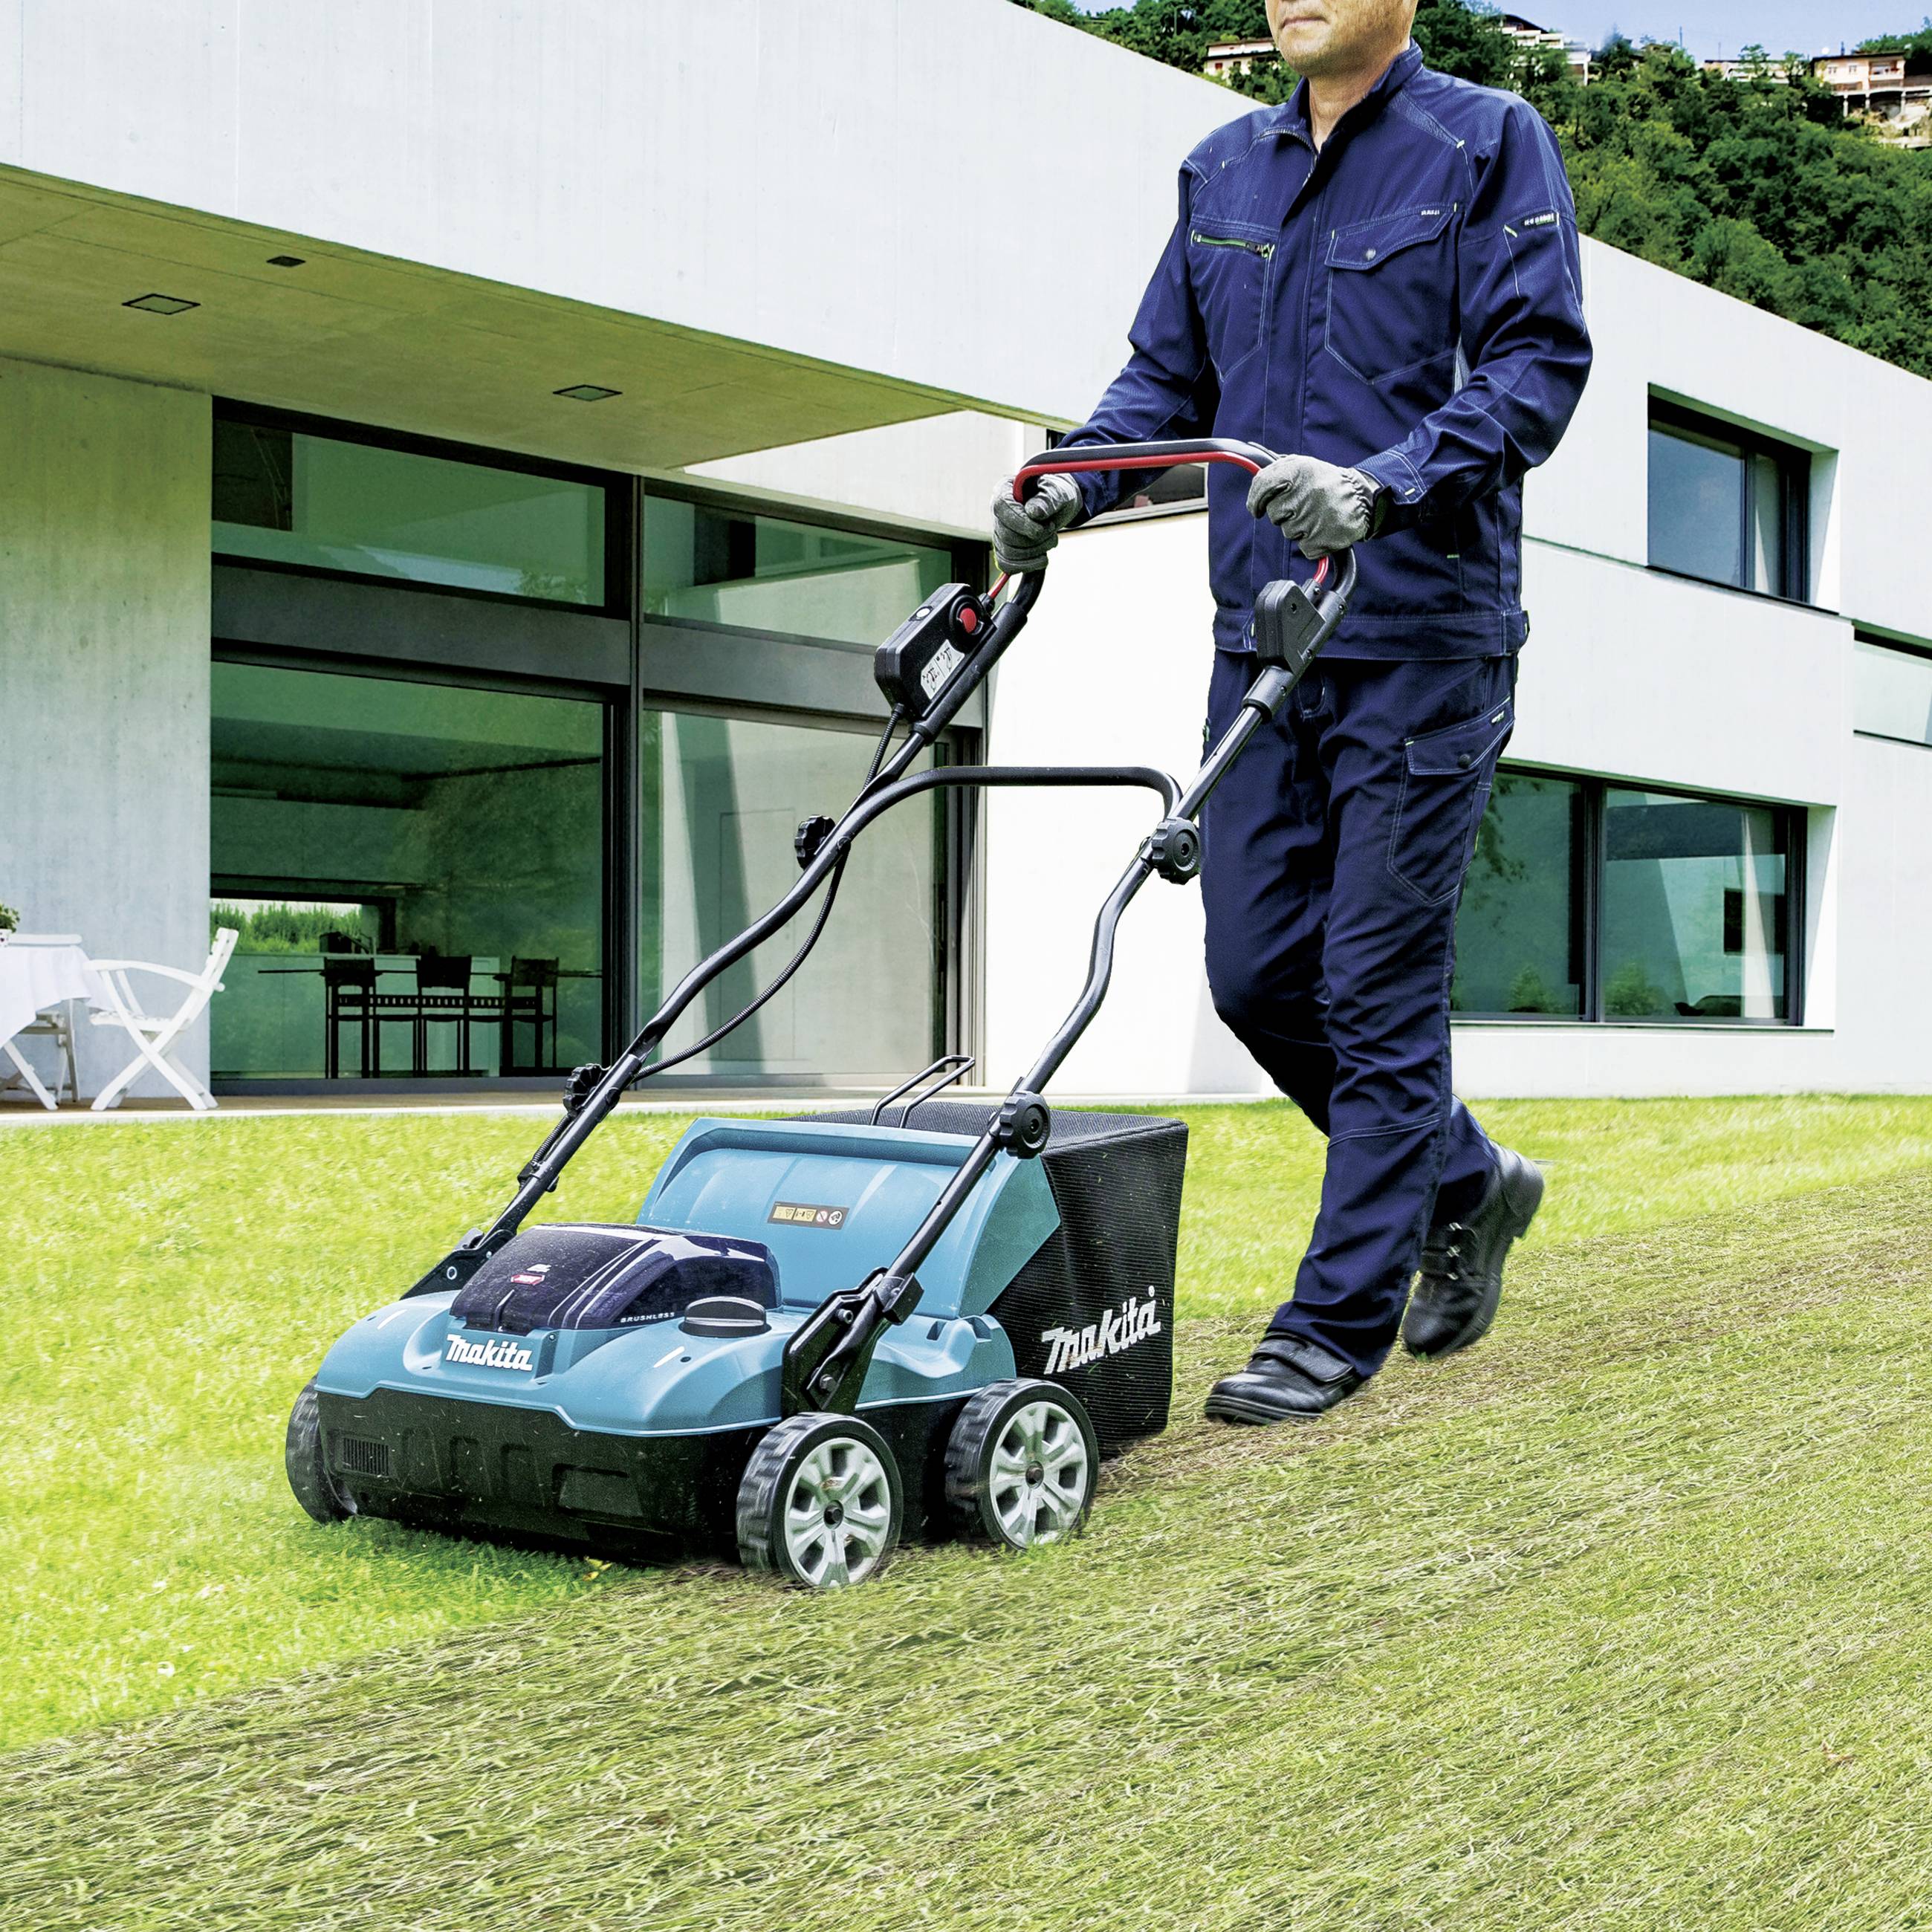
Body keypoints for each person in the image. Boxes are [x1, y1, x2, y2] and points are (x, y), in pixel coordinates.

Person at [991, 0, 1592, 1423]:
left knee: (1378, 995)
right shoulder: (1220, 169)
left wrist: (1381, 481)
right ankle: (1468, 1177)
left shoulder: (1488, 143)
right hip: (1261, 640)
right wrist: (1070, 484)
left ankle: (1334, 1323)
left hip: (1423, 642)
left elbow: (1535, 367)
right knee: (1259, 977)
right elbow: (1165, 379)